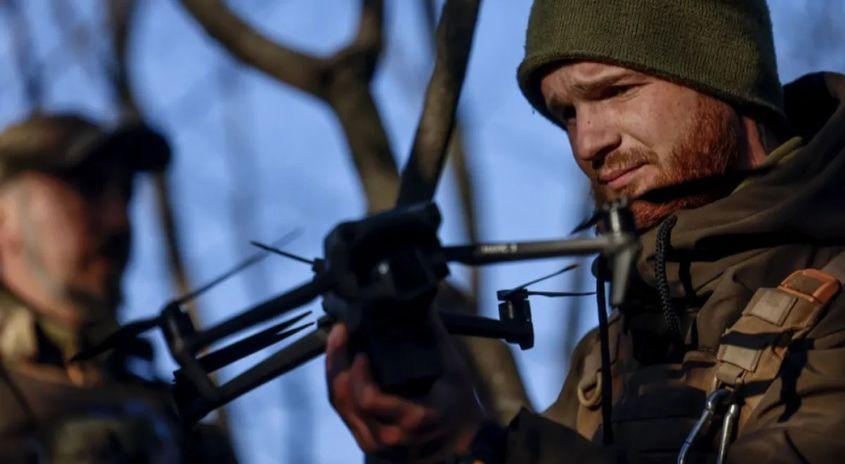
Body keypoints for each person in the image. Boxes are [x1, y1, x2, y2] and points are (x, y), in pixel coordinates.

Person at [326, 0, 845, 462]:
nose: (586, 144)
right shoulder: (610, 354)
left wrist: (479, 446)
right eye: (566, 113)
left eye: (615, 91)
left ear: (724, 76)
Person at [0, 113, 236, 463]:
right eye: (89, 186)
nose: (119, 221)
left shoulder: (173, 416)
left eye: (125, 193)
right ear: (5, 218)